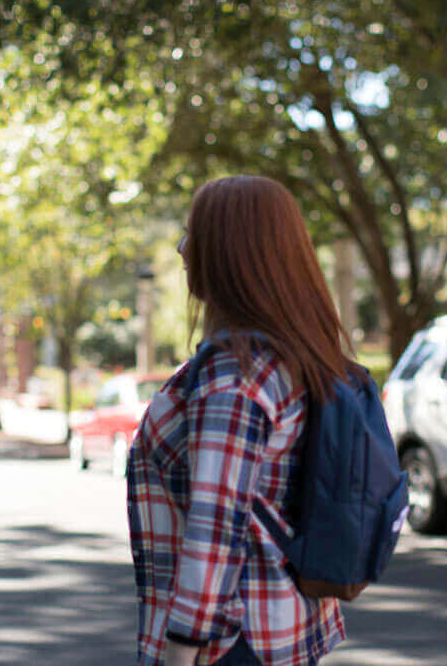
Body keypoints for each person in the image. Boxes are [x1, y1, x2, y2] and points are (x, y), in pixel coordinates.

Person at [127, 176, 350, 666]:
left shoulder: (234, 372)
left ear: (231, 253)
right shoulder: (291, 354)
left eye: (195, 234)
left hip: (230, 644)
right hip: (285, 625)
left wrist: (181, 650)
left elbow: (216, 523)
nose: (183, 249)